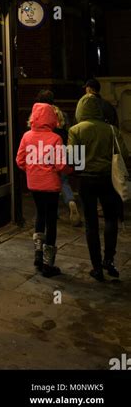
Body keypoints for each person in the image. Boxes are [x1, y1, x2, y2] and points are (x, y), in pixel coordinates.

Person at [68, 93, 129, 281]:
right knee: (111, 219)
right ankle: (109, 259)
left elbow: (72, 159)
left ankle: (96, 267)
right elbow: (124, 154)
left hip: (86, 181)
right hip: (107, 180)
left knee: (91, 223)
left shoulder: (75, 130)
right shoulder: (111, 129)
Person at [17, 103, 73, 277]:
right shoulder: (55, 138)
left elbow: (20, 161)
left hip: (34, 184)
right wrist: (70, 169)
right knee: (51, 220)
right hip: (51, 185)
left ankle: (38, 255)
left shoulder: (26, 136)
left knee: (39, 215)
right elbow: (60, 165)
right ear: (51, 118)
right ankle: (49, 264)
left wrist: (33, 170)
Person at [32, 90, 82, 226]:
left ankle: (47, 214)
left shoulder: (37, 114)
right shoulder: (62, 114)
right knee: (63, 181)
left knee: (45, 182)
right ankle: (71, 201)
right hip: (62, 148)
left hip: (44, 151)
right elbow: (70, 132)